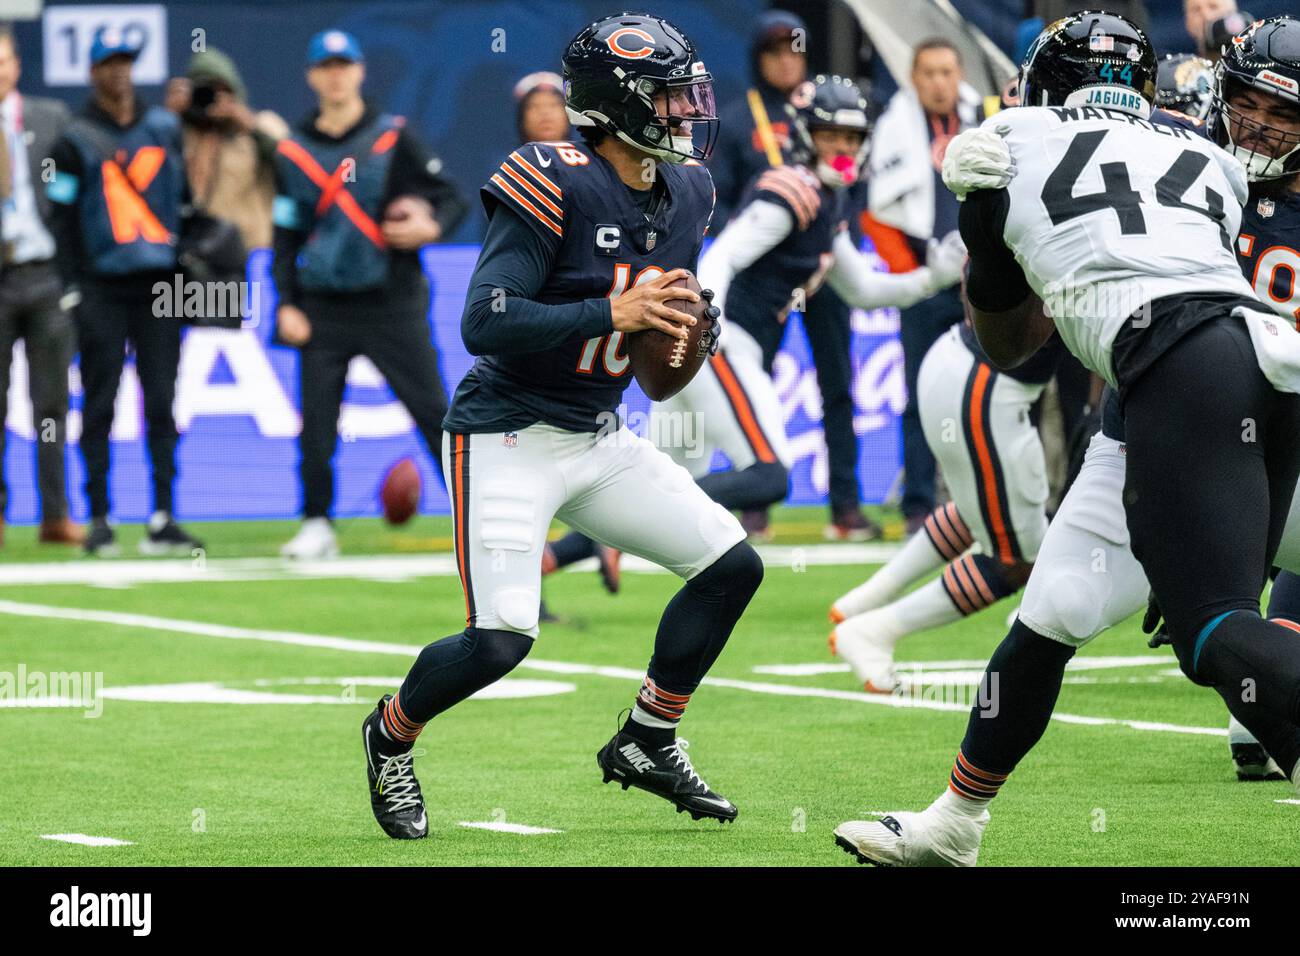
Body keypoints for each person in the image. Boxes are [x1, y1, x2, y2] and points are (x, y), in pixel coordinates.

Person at [834, 13, 1300, 867]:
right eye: (1244, 99)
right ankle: (955, 823)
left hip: (1201, 377)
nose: (1259, 123)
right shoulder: (1206, 159)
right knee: (1055, 611)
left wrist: (984, 225)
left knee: (1215, 634)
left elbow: (1011, 339)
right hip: (1193, 389)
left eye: (1285, 111)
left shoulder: (1018, 142)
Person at [359, 13, 764, 840]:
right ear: (616, 103)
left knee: (731, 566)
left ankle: (649, 737)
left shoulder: (687, 191)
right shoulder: (552, 176)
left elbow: (655, 373)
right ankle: (390, 734)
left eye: (690, 95)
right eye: (669, 96)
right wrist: (609, 309)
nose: (687, 111)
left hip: (597, 431)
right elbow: (485, 319)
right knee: (501, 641)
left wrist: (686, 339)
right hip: (505, 430)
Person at [658, 76, 965, 524]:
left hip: (712, 348)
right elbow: (722, 254)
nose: (842, 147)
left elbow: (862, 290)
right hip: (722, 346)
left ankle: (564, 555)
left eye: (850, 137)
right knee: (767, 476)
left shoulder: (827, 199)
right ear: (805, 135)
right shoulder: (795, 191)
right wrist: (711, 328)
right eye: (830, 136)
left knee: (667, 485)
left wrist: (931, 278)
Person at [272, 30, 467, 559]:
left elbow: (451, 198)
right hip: (323, 304)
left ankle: (472, 517)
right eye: (325, 66)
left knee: (435, 412)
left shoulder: (393, 136)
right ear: (313, 76)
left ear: (359, 71)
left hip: (392, 300)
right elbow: (286, 233)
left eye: (344, 64)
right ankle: (316, 523)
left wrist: (429, 225)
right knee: (315, 421)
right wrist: (285, 301)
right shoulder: (292, 149)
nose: (335, 75)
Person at [47, 28, 204, 556]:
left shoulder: (162, 127)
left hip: (159, 283)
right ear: (92, 73)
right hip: (101, 287)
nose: (118, 73)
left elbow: (183, 203)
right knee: (100, 400)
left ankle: (163, 515)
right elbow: (62, 219)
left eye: (125, 63)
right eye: (108, 64)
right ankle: (99, 516)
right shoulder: (74, 137)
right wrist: (71, 288)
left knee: (161, 399)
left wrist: (186, 268)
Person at [864, 38, 991, 535]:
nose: (939, 83)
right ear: (913, 78)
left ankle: (980, 500)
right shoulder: (895, 127)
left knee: (982, 393)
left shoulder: (985, 120)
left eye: (947, 72)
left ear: (959, 74)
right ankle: (918, 504)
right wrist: (911, 277)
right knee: (918, 394)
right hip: (921, 280)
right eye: (929, 73)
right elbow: (878, 213)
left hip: (978, 282)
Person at [507, 69, 622, 601]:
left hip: (597, 359)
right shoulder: (518, 178)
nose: (547, 113)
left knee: (591, 465)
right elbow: (497, 307)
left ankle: (599, 537)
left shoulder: (609, 178)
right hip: (537, 350)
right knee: (524, 489)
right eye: (536, 106)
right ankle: (525, 593)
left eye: (557, 103)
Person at [0, 24, 81, 548]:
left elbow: (77, 194)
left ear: (17, 65)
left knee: (51, 405)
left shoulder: (52, 119)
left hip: (46, 274)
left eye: (3, 60)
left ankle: (56, 514)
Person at [166, 46, 288, 251]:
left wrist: (248, 126)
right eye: (204, 92)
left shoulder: (262, 125)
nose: (212, 100)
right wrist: (169, 118)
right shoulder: (178, 132)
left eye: (220, 90)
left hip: (250, 253)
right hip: (193, 257)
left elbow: (293, 168)